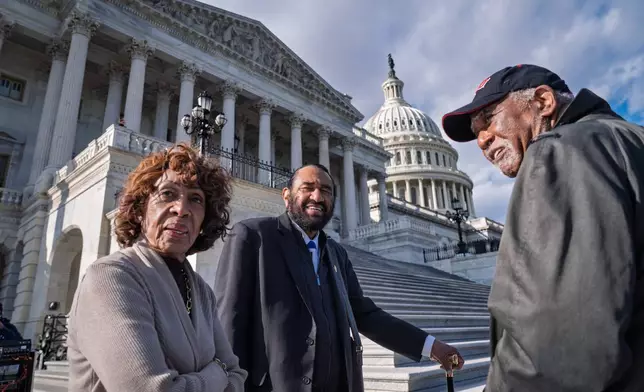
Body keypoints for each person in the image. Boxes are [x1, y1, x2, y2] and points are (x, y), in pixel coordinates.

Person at [442, 64, 644, 391]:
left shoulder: (560, 151)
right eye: (475, 129)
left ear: (543, 102)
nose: (480, 139)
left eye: (489, 117)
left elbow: (557, 351)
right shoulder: (631, 140)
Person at [215, 163, 464, 392]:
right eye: (307, 188)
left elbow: (366, 315)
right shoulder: (254, 237)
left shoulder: (336, 254)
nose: (317, 196)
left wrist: (431, 346)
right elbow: (230, 321)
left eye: (326, 190)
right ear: (287, 196)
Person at [66, 143, 247, 392]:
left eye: (195, 199)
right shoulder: (112, 277)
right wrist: (216, 374)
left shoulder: (201, 290)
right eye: (167, 194)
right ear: (141, 210)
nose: (181, 209)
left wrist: (217, 375)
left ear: (205, 219)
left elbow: (237, 374)